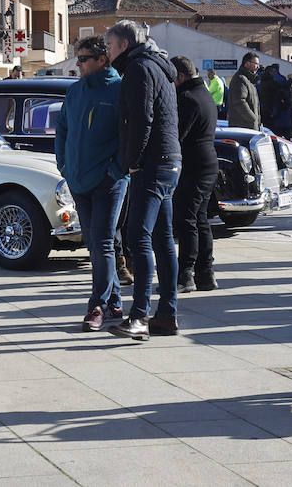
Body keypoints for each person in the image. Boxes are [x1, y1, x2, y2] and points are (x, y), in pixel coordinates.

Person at [103, 20, 182, 341]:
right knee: (162, 240)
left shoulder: (138, 69)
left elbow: (141, 118)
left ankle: (139, 317)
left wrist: (132, 161)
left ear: (124, 45)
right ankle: (167, 315)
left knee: (138, 236)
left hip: (152, 163)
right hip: (169, 161)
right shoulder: (159, 66)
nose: (107, 54)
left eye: (109, 47)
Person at [55, 36, 128, 332]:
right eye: (77, 58)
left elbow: (130, 134)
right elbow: (62, 130)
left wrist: (116, 169)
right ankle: (114, 303)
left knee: (103, 242)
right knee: (94, 243)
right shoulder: (75, 92)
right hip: (78, 179)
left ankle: (96, 304)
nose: (79, 64)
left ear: (102, 60)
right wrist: (64, 165)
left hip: (108, 181)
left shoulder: (119, 90)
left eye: (83, 59)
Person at [170, 55, 219, 294]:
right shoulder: (205, 94)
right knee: (200, 220)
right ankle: (206, 275)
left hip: (194, 167)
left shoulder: (188, 98)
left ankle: (185, 275)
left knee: (186, 220)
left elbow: (178, 135)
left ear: (180, 76)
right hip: (208, 164)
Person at [228, 52, 261, 130]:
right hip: (242, 127)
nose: (258, 67)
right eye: (256, 64)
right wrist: (253, 119)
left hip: (248, 126)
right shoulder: (240, 79)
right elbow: (239, 101)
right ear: (247, 64)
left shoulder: (249, 80)